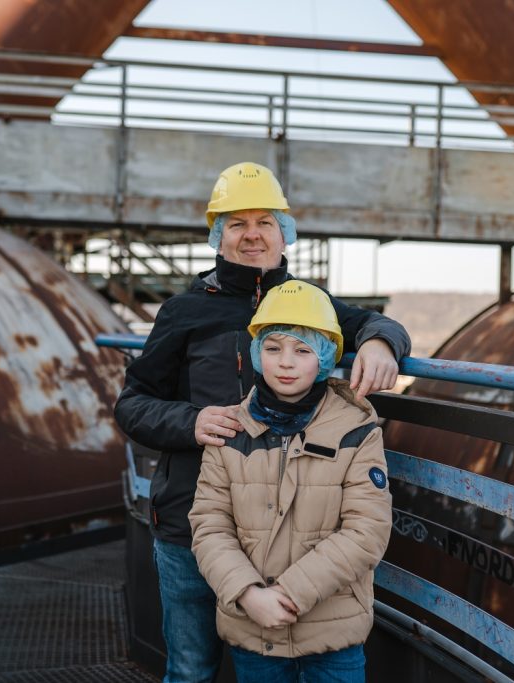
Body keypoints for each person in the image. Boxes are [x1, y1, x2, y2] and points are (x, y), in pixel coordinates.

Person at [114, 161, 408, 682]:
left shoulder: (306, 305)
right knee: (190, 670)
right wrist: (190, 420)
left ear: (284, 232)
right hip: (193, 523)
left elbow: (373, 322)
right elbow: (132, 403)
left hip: (284, 539)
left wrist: (383, 342)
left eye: (264, 222)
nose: (252, 235)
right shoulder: (184, 312)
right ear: (218, 236)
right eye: (237, 223)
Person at [189, 280, 392, 683]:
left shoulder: (356, 428)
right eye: (273, 348)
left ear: (325, 357)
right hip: (254, 628)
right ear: (256, 354)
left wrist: (289, 594)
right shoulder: (232, 428)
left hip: (333, 633)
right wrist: (248, 594)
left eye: (302, 350)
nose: (286, 362)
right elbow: (209, 523)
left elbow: (366, 529)